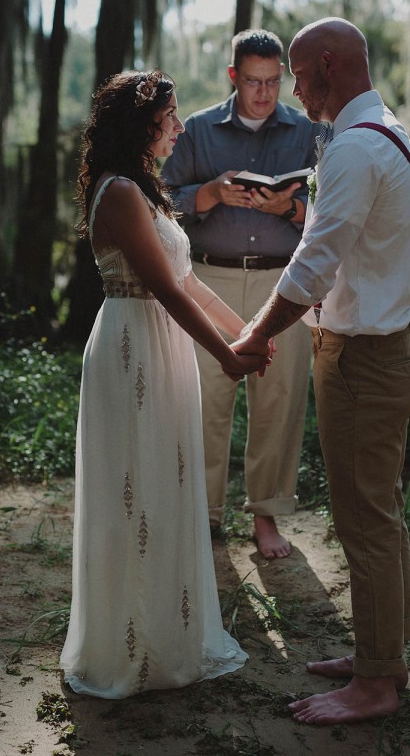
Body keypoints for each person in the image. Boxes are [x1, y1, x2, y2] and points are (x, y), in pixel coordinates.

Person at [237, 17, 410, 723]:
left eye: (295, 71)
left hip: (366, 359)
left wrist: (255, 339)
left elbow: (314, 263)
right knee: (378, 511)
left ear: (327, 63)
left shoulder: (355, 146)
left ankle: (377, 683)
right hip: (388, 344)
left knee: (365, 520)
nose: (292, 88)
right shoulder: (391, 131)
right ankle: (385, 650)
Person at [60, 70, 271, 699]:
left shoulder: (147, 193)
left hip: (163, 347)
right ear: (141, 122)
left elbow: (195, 282)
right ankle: (128, 647)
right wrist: (227, 359)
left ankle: (164, 632)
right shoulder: (120, 192)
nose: (181, 126)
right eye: (172, 115)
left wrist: (249, 335)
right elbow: (164, 288)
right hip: (132, 350)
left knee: (166, 482)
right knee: (135, 488)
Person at [162, 29, 318, 559]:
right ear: (234, 76)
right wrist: (210, 193)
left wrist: (289, 209)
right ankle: (204, 516)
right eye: (253, 82)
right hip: (212, 278)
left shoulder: (308, 131)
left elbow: (330, 210)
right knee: (206, 400)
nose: (264, 94)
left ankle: (267, 518)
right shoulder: (199, 130)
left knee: (279, 401)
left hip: (285, 282)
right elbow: (157, 204)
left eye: (274, 82)